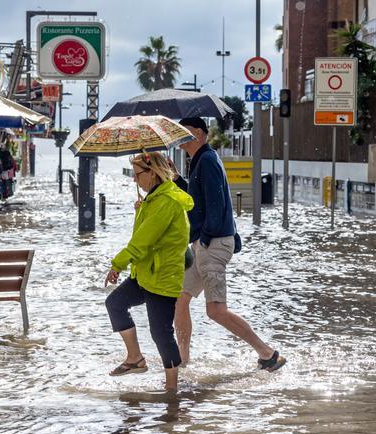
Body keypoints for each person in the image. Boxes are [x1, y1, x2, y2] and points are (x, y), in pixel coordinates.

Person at [175, 117, 287, 372]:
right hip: (204, 243)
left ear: (201, 134)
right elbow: (195, 199)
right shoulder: (199, 161)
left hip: (211, 243)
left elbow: (216, 205)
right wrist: (176, 179)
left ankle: (268, 353)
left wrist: (204, 238)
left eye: (188, 132)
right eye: (181, 133)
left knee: (215, 310)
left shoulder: (208, 161)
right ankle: (181, 362)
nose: (183, 137)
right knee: (179, 300)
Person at [105, 151, 195, 391]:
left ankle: (172, 389)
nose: (135, 180)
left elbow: (142, 242)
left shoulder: (166, 202)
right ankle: (135, 358)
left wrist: (117, 264)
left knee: (160, 332)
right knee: (115, 303)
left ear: (152, 173)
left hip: (162, 276)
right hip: (145, 274)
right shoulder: (154, 200)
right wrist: (139, 211)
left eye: (137, 175)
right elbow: (142, 236)